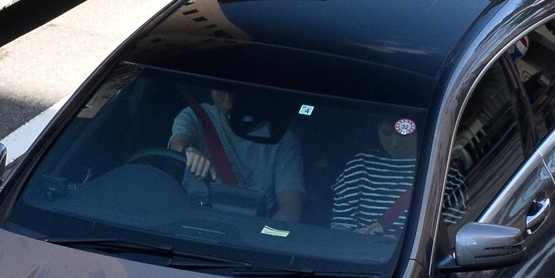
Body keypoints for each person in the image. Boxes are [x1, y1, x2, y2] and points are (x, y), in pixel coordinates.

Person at [168, 88, 305, 222]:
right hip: (194, 219)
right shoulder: (196, 116)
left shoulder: (282, 139)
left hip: (252, 227)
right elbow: (178, 142)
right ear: (211, 91)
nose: (228, 99)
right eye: (220, 90)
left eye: (236, 90)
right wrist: (189, 150)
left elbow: (290, 212)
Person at [331, 117, 421, 235]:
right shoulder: (361, 165)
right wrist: (354, 235)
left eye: (403, 134)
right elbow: (341, 223)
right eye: (386, 134)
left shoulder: (437, 172)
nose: (394, 143)